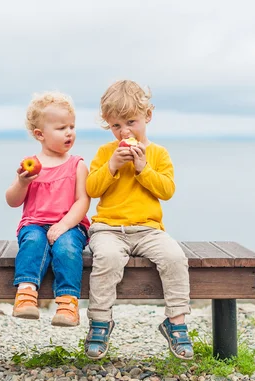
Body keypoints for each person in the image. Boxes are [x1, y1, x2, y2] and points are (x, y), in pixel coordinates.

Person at [84, 80, 193, 359]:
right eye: (116, 126)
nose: (125, 131)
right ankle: (100, 321)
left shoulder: (158, 154)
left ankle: (176, 322)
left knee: (175, 258)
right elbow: (91, 189)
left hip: (148, 229)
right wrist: (112, 166)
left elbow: (167, 190)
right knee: (106, 260)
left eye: (131, 121)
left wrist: (143, 168)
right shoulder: (105, 154)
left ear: (148, 116)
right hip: (108, 228)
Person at [5, 91, 90, 327]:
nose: (69, 132)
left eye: (72, 126)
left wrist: (64, 225)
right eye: (61, 128)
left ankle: (67, 302)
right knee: (32, 241)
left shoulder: (77, 165)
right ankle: (26, 293)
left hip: (69, 225)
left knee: (67, 249)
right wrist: (22, 182)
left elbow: (82, 201)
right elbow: (12, 200)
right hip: (34, 223)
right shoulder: (31, 165)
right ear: (40, 134)